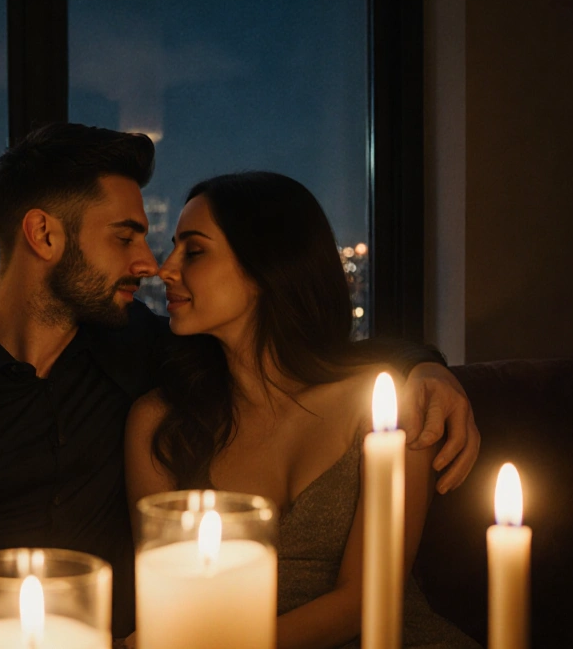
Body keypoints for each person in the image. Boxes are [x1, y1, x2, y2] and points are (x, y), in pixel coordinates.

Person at [0, 125, 479, 649]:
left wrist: (425, 366)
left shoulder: (146, 360)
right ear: (44, 236)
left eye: (172, 245)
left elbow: (302, 354)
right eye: (126, 237)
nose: (151, 265)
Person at [125, 172, 479, 648]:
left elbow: (367, 598)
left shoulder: (383, 408)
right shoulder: (159, 424)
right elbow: (164, 596)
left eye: (194, 251)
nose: (165, 270)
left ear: (266, 267)